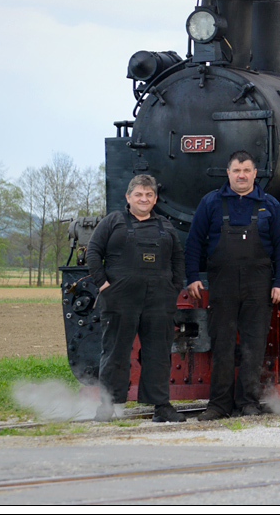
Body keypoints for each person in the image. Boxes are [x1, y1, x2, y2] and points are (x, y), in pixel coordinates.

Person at [185, 150, 280, 420]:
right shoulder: (211, 202)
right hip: (223, 284)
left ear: (255, 173)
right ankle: (218, 405)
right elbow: (194, 242)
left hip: (259, 285)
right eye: (236, 170)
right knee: (221, 345)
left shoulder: (270, 205)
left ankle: (248, 403)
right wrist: (193, 276)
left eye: (246, 170)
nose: (241, 175)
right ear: (228, 173)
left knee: (253, 346)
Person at [86, 174, 186, 423]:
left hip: (159, 300)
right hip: (120, 299)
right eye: (139, 194)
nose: (144, 199)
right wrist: (104, 286)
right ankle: (108, 405)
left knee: (159, 353)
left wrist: (174, 288)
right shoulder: (113, 221)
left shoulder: (165, 226)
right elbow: (93, 252)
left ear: (155, 199)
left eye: (149, 195)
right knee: (115, 352)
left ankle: (161, 407)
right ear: (128, 197)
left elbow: (178, 259)